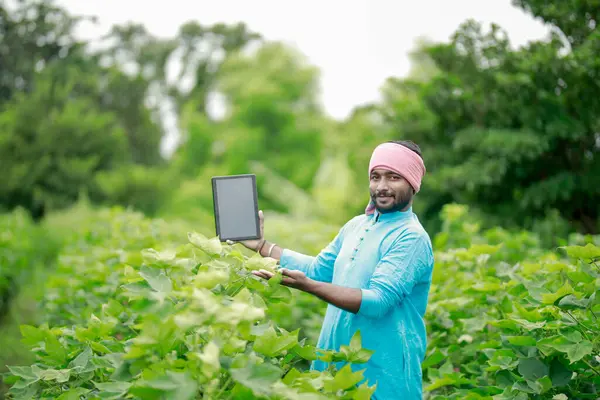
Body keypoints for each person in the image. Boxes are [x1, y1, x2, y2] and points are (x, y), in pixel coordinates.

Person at [230, 140, 434, 400]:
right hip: (335, 368)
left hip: (383, 378)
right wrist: (262, 246)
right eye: (375, 176)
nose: (382, 186)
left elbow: (378, 301)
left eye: (394, 177)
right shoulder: (356, 226)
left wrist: (308, 287)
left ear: (412, 183)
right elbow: (318, 269)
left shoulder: (411, 237)